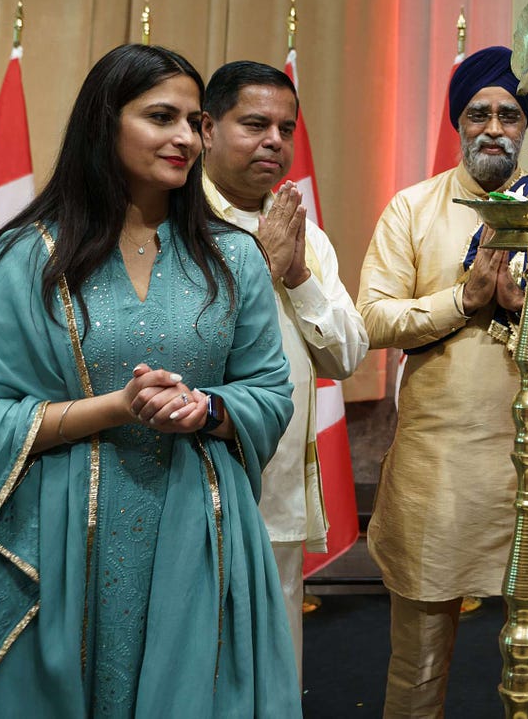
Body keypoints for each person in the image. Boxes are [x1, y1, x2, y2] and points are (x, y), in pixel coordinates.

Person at [0, 43, 302, 717]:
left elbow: (269, 390)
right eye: (160, 116)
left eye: (193, 121)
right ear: (104, 123)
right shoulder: (31, 255)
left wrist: (205, 409)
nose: (185, 136)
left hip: (197, 535)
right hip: (59, 539)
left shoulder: (233, 257)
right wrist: (115, 407)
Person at [357, 46, 528, 717]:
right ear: (458, 123)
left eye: (507, 113)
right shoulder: (411, 210)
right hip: (437, 472)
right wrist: (464, 300)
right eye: (479, 114)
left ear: (526, 126)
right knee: (417, 661)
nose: (494, 127)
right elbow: (374, 318)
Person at [200, 59, 369, 678]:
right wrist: (260, 267)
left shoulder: (305, 233)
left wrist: (296, 273)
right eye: (255, 124)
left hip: (276, 489)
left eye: (286, 128)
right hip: (186, 482)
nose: (275, 139)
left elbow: (347, 355)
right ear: (207, 129)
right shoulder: (168, 220)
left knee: (273, 668)